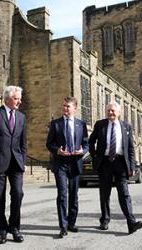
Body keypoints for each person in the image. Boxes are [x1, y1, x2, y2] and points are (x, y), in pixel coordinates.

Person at [89, 101, 142, 234]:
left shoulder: (126, 127)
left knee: (124, 194)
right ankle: (105, 219)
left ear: (119, 113)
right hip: (105, 163)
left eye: (113, 110)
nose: (110, 112)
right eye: (108, 110)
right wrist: (95, 156)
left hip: (120, 163)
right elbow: (91, 141)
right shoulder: (100, 124)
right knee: (104, 193)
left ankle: (131, 223)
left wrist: (132, 166)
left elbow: (130, 149)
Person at [0, 86, 27, 244]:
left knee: (18, 194)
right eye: (16, 99)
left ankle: (14, 227)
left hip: (16, 163)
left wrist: (24, 160)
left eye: (20, 99)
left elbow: (23, 142)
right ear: (7, 98)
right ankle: (1, 230)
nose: (19, 101)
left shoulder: (21, 117)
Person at [46, 97, 88, 238]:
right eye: (64, 106)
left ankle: (71, 223)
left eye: (68, 106)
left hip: (75, 163)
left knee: (73, 196)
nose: (65, 108)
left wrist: (82, 151)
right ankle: (63, 226)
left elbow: (86, 144)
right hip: (61, 164)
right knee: (62, 195)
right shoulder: (55, 124)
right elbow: (49, 144)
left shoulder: (81, 124)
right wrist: (57, 150)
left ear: (74, 108)